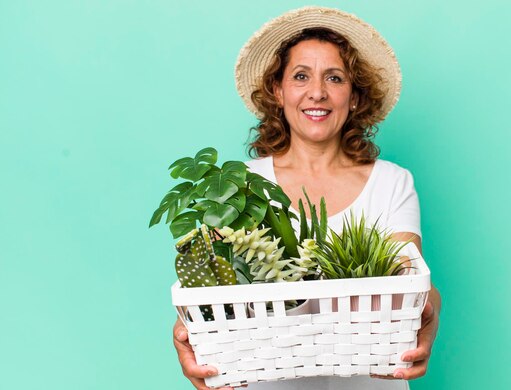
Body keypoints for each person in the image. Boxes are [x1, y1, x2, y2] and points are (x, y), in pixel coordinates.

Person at [173, 6, 441, 390]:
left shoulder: (391, 182)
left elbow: (410, 274)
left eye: (335, 77)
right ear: (278, 92)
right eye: (301, 76)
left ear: (354, 96)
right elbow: (217, 287)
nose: (317, 92)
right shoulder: (242, 185)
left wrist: (429, 314)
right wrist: (186, 331)